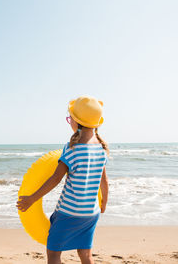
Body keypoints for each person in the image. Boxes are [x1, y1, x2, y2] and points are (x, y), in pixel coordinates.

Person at [16, 95, 109, 264]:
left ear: (76, 122)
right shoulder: (101, 149)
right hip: (91, 213)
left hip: (69, 213)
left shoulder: (72, 149)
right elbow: (104, 182)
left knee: (53, 254)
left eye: (70, 119)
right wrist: (103, 204)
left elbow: (55, 179)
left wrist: (31, 199)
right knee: (85, 254)